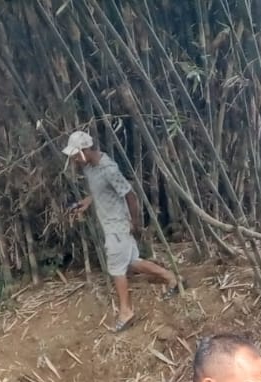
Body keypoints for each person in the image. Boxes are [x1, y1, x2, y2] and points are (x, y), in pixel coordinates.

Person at [64, 131, 181, 332]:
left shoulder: (108, 169)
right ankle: (172, 278)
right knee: (132, 261)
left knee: (117, 269)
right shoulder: (89, 168)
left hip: (117, 226)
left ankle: (126, 311)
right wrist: (86, 202)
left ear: (84, 150)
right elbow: (99, 191)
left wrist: (133, 222)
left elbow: (130, 195)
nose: (74, 160)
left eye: (75, 155)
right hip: (110, 225)